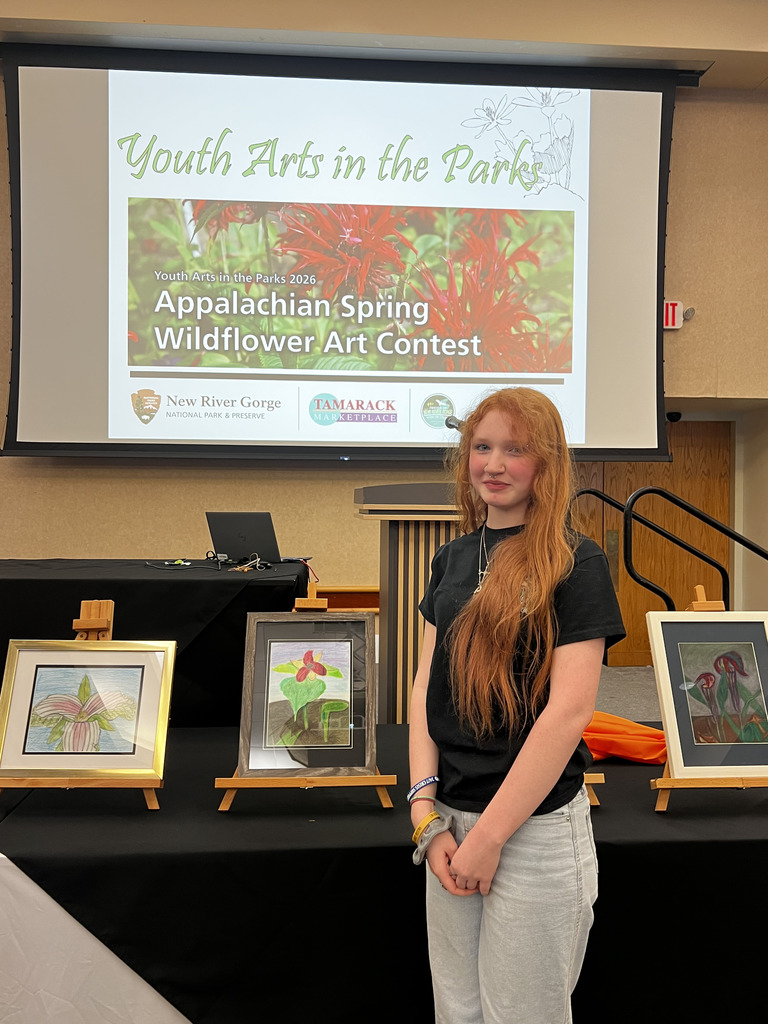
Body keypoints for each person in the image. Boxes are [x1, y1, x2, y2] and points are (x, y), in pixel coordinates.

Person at [408, 387, 625, 1024]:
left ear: (547, 465)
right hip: (447, 825)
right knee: (459, 1012)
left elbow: (569, 711)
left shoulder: (576, 562)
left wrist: (492, 836)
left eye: (515, 449)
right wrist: (425, 811)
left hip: (533, 831)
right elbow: (424, 683)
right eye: (482, 447)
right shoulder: (449, 559)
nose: (494, 464)